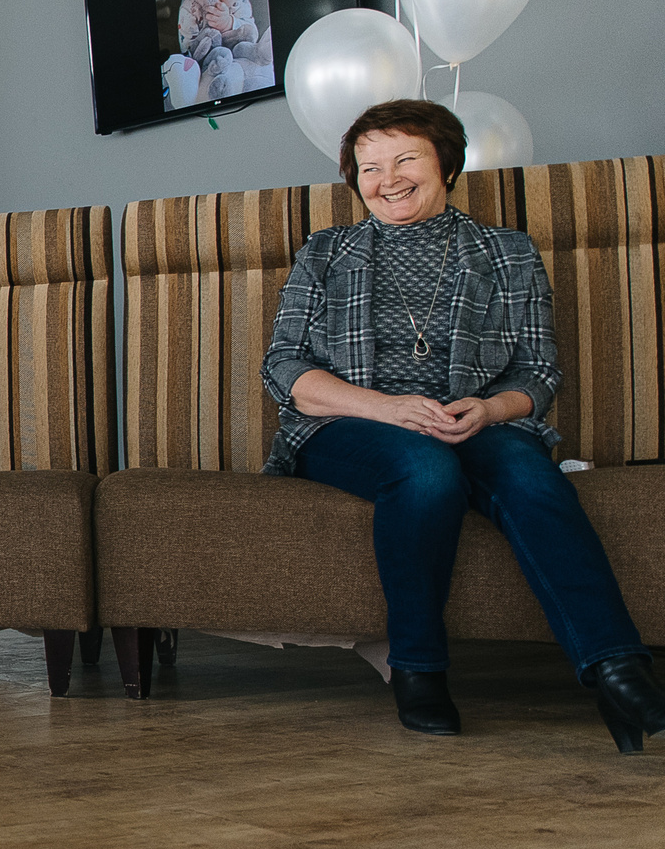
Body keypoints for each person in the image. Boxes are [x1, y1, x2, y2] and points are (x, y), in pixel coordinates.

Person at [263, 98, 663, 749]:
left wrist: (490, 408)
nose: (386, 178)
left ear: (447, 162)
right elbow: (283, 369)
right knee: (425, 469)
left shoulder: (507, 253)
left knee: (531, 477)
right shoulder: (325, 253)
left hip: (471, 421)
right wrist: (388, 408)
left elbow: (537, 375)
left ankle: (618, 668)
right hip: (346, 425)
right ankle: (418, 669)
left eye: (405, 159)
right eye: (369, 167)